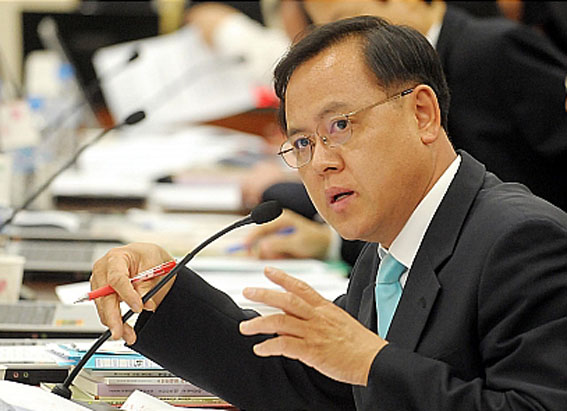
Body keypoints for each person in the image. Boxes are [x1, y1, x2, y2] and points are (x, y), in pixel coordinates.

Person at [91, 16, 567, 410]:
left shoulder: (523, 241)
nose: (320, 162)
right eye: (302, 143)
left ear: (422, 113)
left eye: (340, 125)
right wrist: (164, 290)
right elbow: (311, 382)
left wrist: (370, 363)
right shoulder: (391, 247)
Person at [248, 0, 567, 264]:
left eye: (346, 21)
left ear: (423, 112)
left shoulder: (495, 49)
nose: (337, 49)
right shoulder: (380, 254)